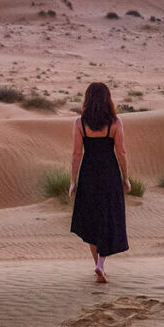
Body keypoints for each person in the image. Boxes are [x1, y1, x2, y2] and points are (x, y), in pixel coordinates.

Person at [69, 81, 130, 282]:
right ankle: (100, 264)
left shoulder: (80, 123)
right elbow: (120, 152)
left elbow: (77, 154)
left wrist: (73, 180)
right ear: (108, 99)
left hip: (88, 174)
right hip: (109, 173)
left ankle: (97, 263)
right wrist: (126, 177)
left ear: (88, 99)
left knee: (92, 219)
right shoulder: (115, 122)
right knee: (107, 217)